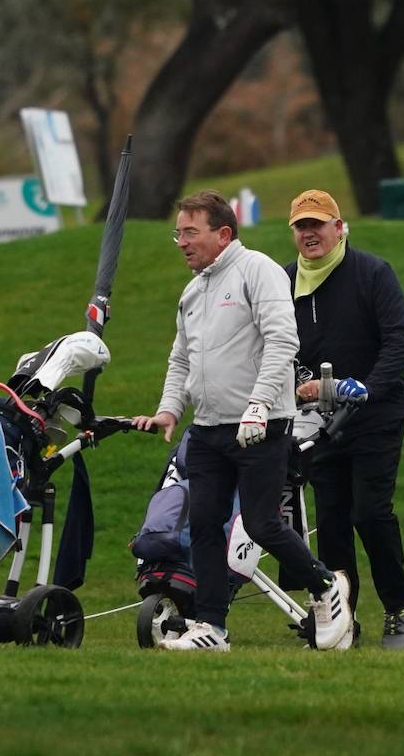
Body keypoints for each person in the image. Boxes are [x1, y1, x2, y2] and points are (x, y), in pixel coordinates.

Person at [135, 189, 352, 652]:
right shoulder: (193, 291)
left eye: (190, 232)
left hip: (262, 425)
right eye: (178, 233)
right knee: (205, 525)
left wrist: (258, 405)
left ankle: (326, 585)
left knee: (260, 524)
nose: (181, 242)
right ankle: (212, 627)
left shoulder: (257, 270)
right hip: (208, 428)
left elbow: (282, 341)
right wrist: (169, 408)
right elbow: (181, 358)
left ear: (223, 234)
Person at [285, 188, 404, 650]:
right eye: (301, 226)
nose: (309, 234)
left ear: (339, 228)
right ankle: (342, 621)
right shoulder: (283, 282)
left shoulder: (373, 273)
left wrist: (366, 387)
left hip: (375, 415)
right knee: (332, 523)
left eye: (318, 225)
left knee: (371, 514)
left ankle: (398, 609)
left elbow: (399, 342)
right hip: (317, 422)